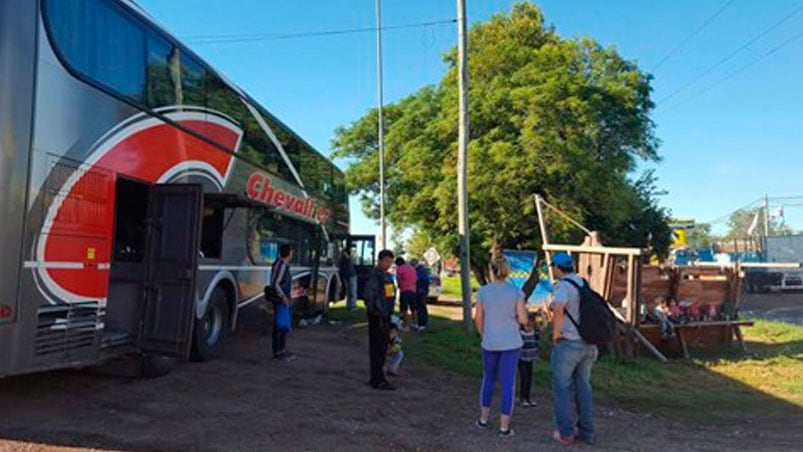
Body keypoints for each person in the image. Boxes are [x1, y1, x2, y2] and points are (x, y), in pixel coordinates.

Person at [474, 251, 528, 437]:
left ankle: (483, 419)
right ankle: (504, 427)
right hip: (511, 342)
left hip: (490, 341)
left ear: (491, 271)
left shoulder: (483, 292)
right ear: (507, 272)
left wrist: (484, 335)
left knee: (488, 379)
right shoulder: (516, 292)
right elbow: (522, 318)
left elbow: (478, 319)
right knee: (508, 383)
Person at [549, 252, 598, 446]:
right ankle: (587, 432)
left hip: (569, 343)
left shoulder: (562, 286)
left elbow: (559, 307)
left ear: (556, 267)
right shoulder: (582, 283)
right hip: (589, 344)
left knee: (561, 389)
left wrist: (555, 333)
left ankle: (566, 433)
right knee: (583, 387)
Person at [363, 249, 397, 390]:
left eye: (390, 261)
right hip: (378, 317)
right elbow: (369, 295)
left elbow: (389, 295)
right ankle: (377, 379)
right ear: (380, 260)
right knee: (377, 349)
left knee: (383, 348)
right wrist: (375, 312)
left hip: (386, 316)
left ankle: (378, 377)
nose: (388, 264)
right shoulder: (375, 276)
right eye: (386, 261)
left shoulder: (387, 276)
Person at [269, 244, 294, 361]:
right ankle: (277, 352)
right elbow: (275, 283)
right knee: (279, 325)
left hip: (284, 299)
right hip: (280, 299)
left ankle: (282, 349)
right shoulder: (282, 265)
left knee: (283, 324)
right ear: (288, 253)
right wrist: (283, 297)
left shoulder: (283, 264)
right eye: (291, 251)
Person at [517, 312, 540, 407]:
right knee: (524, 378)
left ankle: (527, 398)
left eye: (532, 320)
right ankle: (522, 398)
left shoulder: (535, 332)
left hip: (530, 359)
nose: (530, 323)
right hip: (521, 359)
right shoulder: (520, 333)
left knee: (529, 379)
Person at [395, 257, 418, 331]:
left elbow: (398, 279)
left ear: (398, 263)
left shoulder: (400, 269)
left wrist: (399, 286)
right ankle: (415, 323)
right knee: (413, 308)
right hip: (413, 290)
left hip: (404, 290)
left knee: (404, 309)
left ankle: (406, 325)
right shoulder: (412, 268)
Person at [412, 259, 430, 331]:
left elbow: (422, 280)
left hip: (421, 291)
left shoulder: (420, 270)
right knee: (419, 307)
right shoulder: (421, 269)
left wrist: (421, 289)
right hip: (420, 290)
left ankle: (422, 324)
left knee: (421, 307)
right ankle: (420, 323)